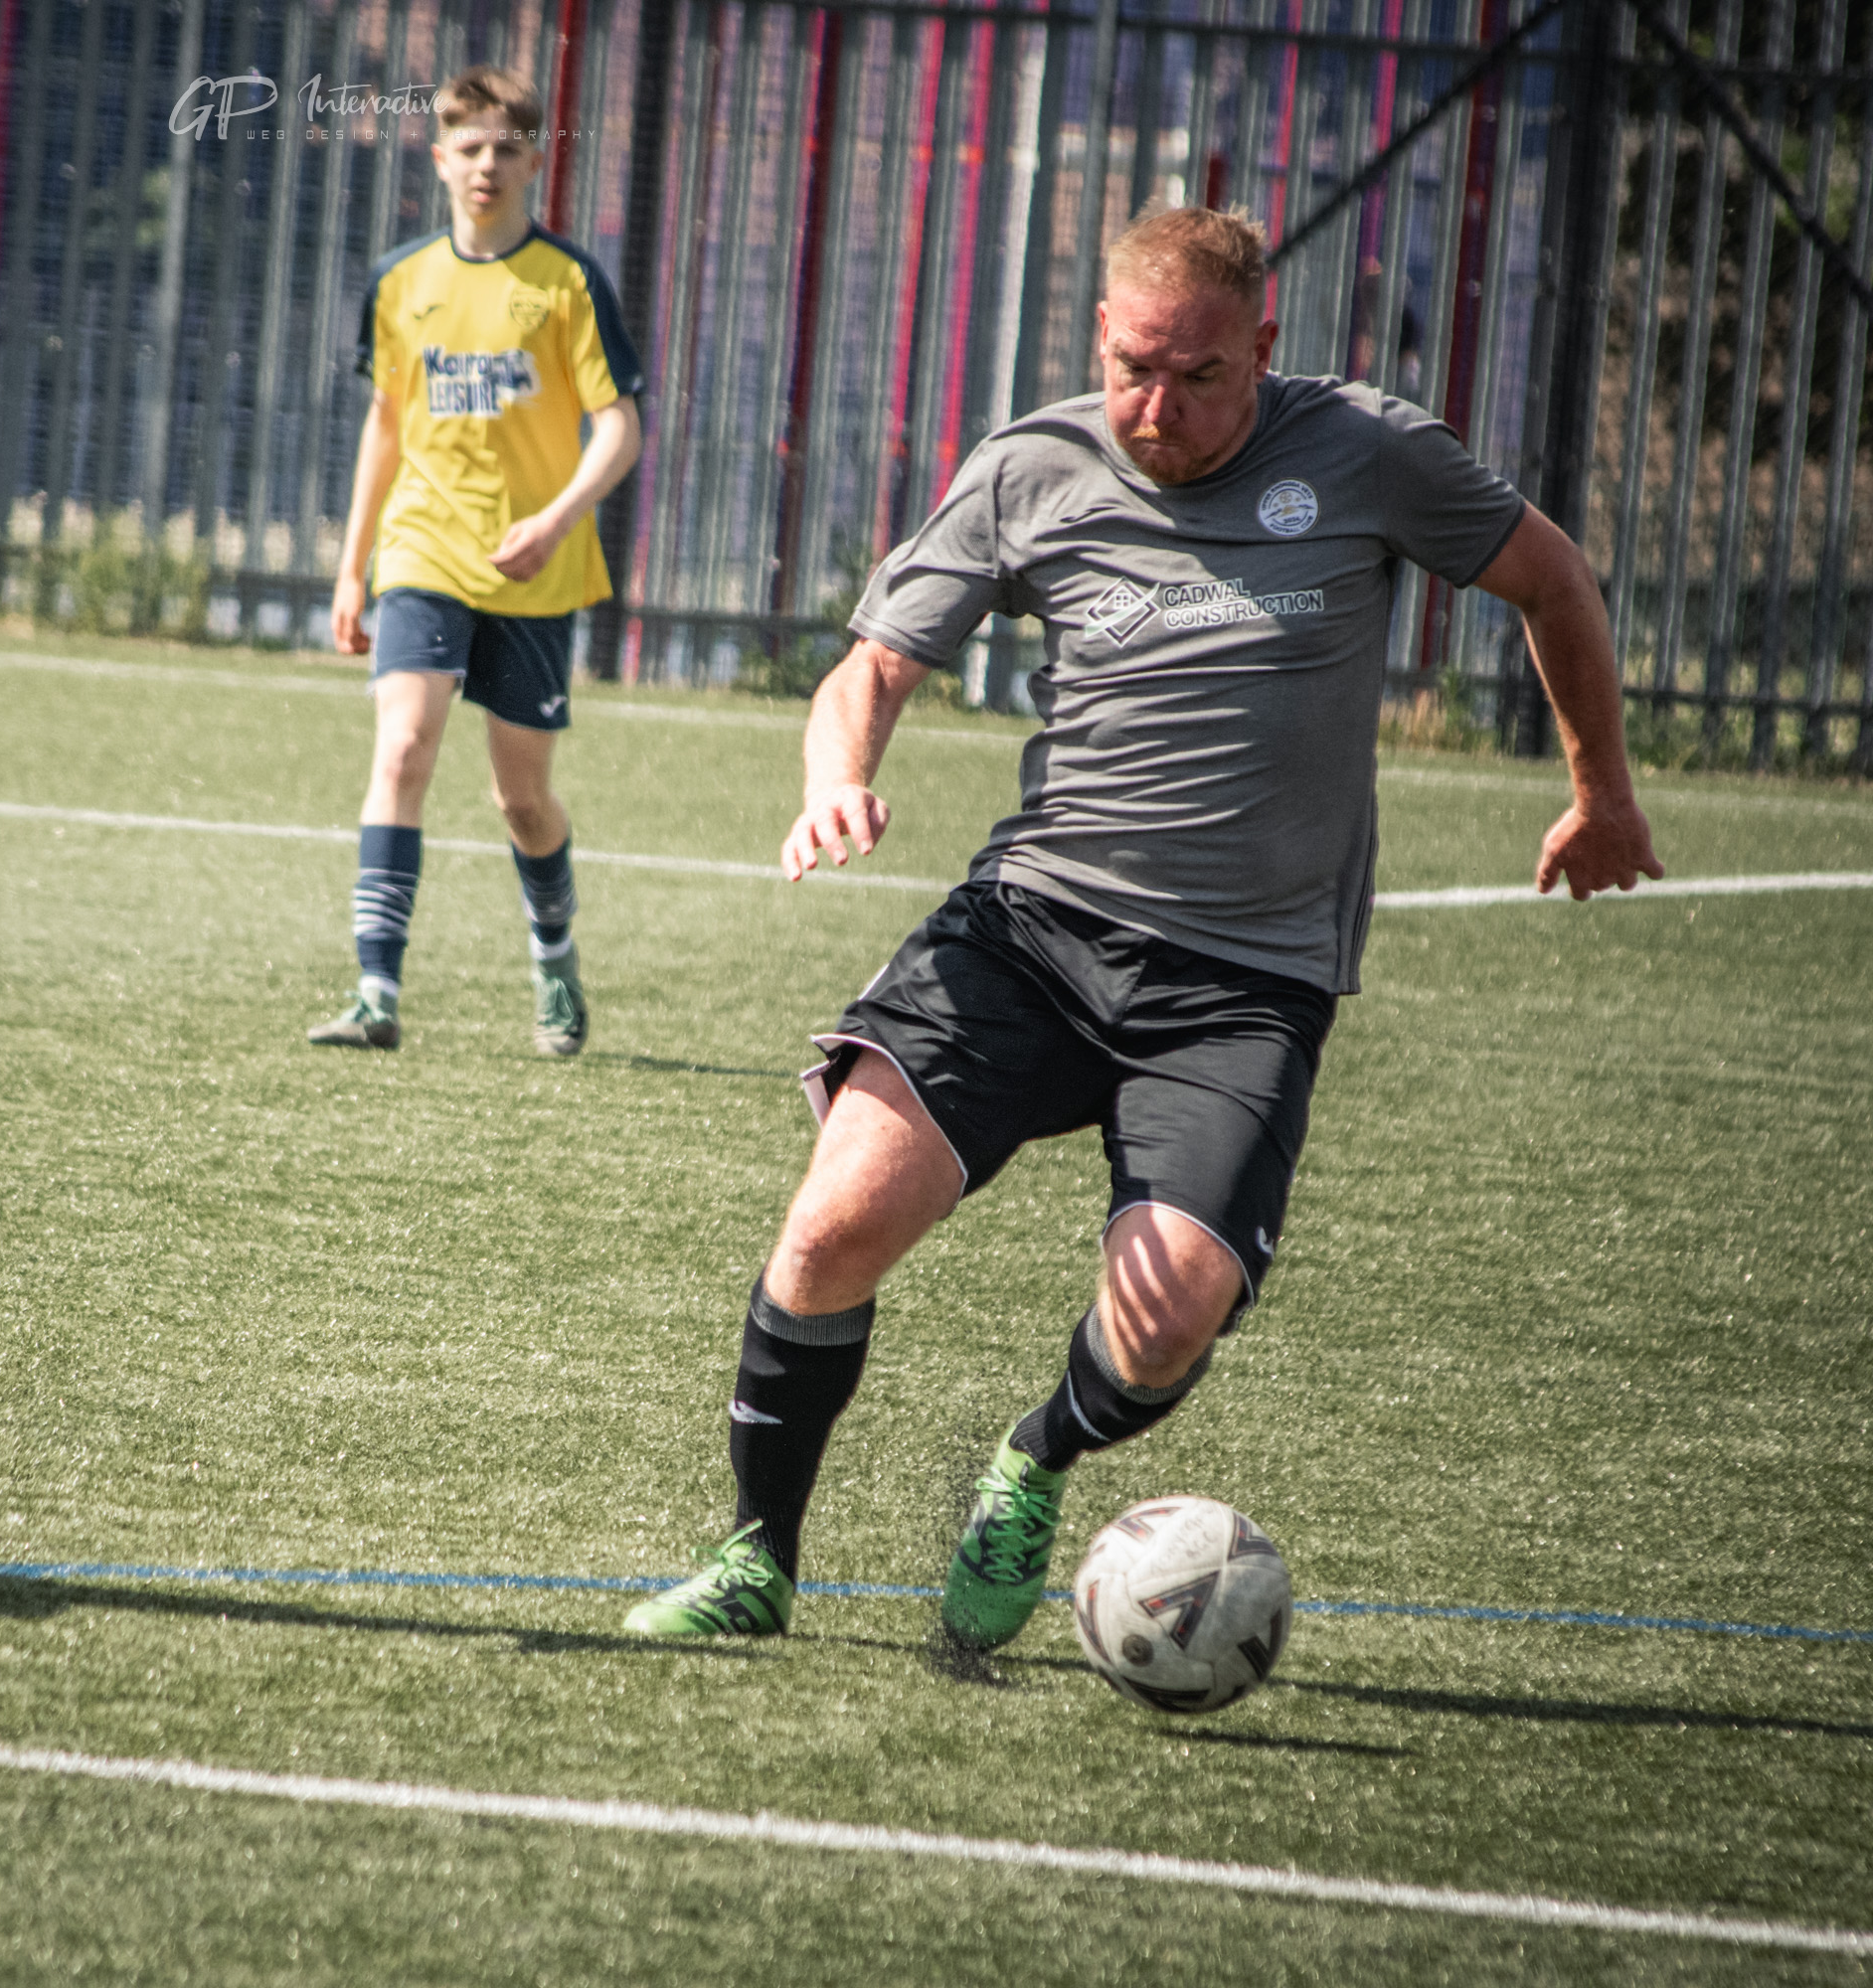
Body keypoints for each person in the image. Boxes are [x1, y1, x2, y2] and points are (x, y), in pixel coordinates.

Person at [619, 206, 1662, 1650]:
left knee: (1170, 1311)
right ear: (1097, 337)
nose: (1157, 408)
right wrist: (836, 781)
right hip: (1036, 929)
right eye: (1132, 369)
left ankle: (1034, 1458)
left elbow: (1549, 575)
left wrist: (1601, 792)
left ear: (1263, 353)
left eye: (1198, 376)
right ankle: (754, 1561)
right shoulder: (1033, 465)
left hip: (1245, 982)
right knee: (833, 1221)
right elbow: (872, 668)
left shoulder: (1368, 453)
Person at [310, 66, 644, 1057]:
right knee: (402, 748)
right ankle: (376, 992)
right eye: (470, 146)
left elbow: (619, 428)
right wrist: (352, 561)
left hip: (535, 567)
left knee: (521, 796)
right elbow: (386, 422)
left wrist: (557, 516)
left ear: (536, 158)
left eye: (507, 146)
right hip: (423, 546)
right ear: (440, 156)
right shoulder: (403, 280)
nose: (487, 164)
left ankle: (554, 961)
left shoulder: (568, 282)